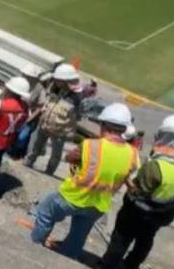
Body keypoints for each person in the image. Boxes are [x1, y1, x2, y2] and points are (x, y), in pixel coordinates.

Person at [101, 114, 174, 269]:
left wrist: (127, 181)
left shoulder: (156, 166)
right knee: (146, 239)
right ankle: (130, 267)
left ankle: (107, 266)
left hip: (139, 211)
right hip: (166, 212)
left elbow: (138, 192)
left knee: (122, 236)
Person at [30, 103, 140, 259]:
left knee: (46, 210)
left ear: (104, 125)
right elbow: (125, 173)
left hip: (72, 197)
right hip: (98, 205)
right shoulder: (133, 154)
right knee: (78, 235)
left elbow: (69, 157)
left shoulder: (90, 145)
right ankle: (67, 258)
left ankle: (33, 246)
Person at [24, 63, 82, 175]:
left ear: (66, 81)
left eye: (59, 80)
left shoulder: (77, 97)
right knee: (36, 145)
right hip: (45, 124)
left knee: (56, 153)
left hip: (60, 132)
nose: (56, 81)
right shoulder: (54, 87)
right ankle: (29, 161)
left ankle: (49, 172)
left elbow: (78, 116)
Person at [9, 64, 45, 159]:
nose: (24, 76)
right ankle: (11, 151)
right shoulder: (19, 81)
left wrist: (30, 118)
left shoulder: (39, 88)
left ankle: (19, 153)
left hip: (28, 115)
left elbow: (41, 106)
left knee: (22, 137)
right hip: (15, 111)